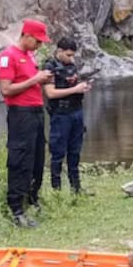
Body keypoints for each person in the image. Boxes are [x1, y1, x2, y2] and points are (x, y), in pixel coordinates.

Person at [0, 19, 54, 227]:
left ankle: (32, 198)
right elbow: (6, 89)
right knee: (20, 158)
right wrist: (35, 80)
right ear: (27, 35)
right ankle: (16, 208)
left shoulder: (30, 57)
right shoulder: (8, 56)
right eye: (38, 41)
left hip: (37, 111)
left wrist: (43, 79)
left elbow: (32, 82)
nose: (40, 46)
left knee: (37, 157)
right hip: (20, 113)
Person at [44, 37, 92, 195]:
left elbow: (73, 85)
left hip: (76, 111)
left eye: (73, 55)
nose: (71, 58)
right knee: (57, 153)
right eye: (68, 55)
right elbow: (50, 93)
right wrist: (75, 90)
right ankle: (56, 191)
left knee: (75, 151)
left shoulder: (72, 66)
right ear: (59, 51)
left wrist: (83, 87)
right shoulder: (49, 67)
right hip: (61, 115)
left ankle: (76, 188)